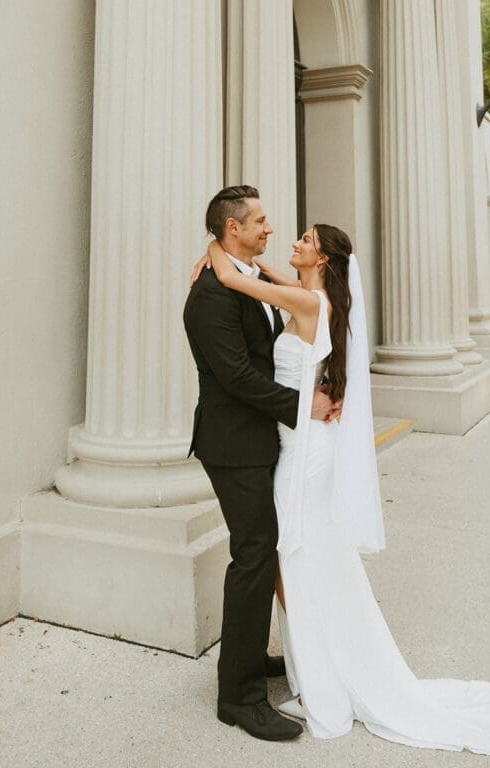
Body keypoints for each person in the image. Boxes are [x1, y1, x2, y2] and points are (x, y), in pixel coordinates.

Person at [195, 219, 490, 755]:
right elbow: (266, 273)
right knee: (294, 556)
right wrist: (240, 257)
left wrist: (217, 248)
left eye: (307, 241)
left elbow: (241, 281)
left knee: (296, 555)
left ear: (324, 259)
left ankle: (324, 671)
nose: (295, 242)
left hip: (305, 452)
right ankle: (316, 660)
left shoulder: (310, 304)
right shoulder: (313, 295)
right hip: (296, 443)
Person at [183, 186, 341, 743]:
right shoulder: (210, 295)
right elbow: (237, 377)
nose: (270, 228)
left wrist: (216, 253)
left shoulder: (242, 276)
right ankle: (239, 697)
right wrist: (304, 407)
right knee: (253, 556)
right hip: (232, 446)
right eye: (260, 221)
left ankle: (249, 657)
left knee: (265, 552)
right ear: (233, 228)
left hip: (262, 441)